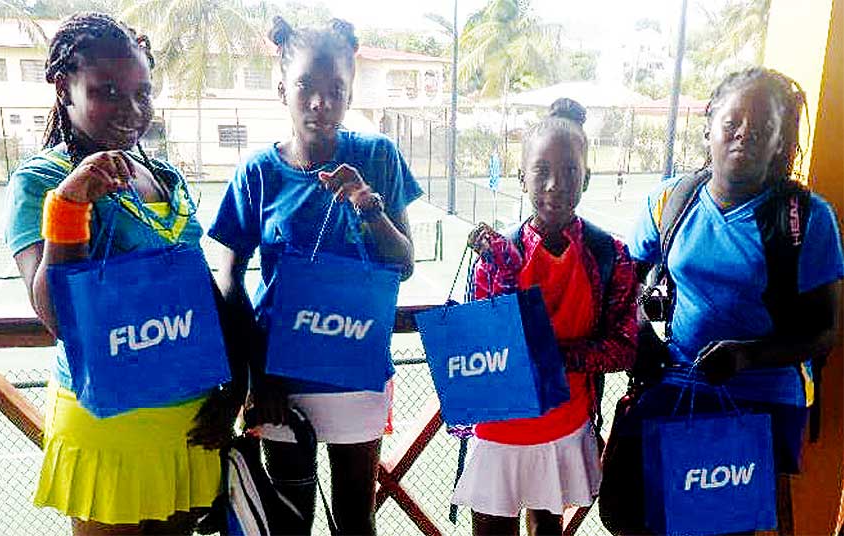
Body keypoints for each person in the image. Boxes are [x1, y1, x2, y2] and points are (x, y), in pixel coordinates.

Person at [3, 13, 241, 536]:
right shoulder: (41, 180)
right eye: (107, 91)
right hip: (111, 429)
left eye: (142, 93)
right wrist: (69, 206)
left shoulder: (165, 175)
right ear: (64, 87)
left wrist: (233, 388)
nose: (131, 110)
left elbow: (200, 293)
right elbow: (58, 317)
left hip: (191, 424)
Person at [209, 16, 422, 535]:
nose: (320, 102)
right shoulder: (258, 172)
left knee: (354, 517)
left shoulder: (377, 155)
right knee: (288, 523)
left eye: (336, 91)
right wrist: (256, 375)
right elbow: (228, 276)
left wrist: (369, 207)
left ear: (350, 94)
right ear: (283, 88)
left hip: (354, 364)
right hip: (281, 378)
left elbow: (405, 262)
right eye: (307, 87)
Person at [627, 67, 843, 533]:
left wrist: (748, 356)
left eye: (763, 128)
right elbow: (627, 279)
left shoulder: (806, 219)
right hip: (679, 381)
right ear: (710, 125)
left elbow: (826, 330)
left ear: (779, 141)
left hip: (760, 397)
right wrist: (641, 328)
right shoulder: (672, 201)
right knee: (634, 513)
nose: (744, 134)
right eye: (733, 122)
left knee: (724, 524)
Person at [451, 98, 637, 536]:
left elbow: (624, 348)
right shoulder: (496, 255)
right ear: (521, 177)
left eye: (570, 171)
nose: (555, 184)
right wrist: (499, 267)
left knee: (547, 528)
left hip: (564, 423)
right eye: (541, 170)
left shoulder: (610, 254)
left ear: (587, 178)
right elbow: (481, 344)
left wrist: (555, 356)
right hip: (499, 428)